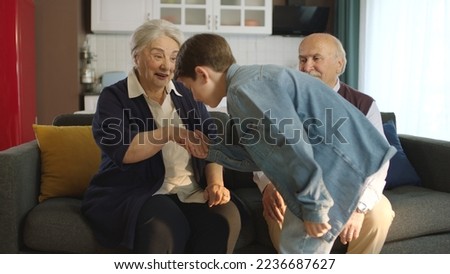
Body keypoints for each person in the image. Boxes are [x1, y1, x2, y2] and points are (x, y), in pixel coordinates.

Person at [174, 33, 396, 254]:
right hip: (328, 173)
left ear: (202, 74)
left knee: (297, 251)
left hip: (332, 173)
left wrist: (313, 206)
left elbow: (292, 143)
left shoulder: (243, 90)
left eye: (188, 87)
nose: (193, 98)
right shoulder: (247, 84)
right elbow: (261, 155)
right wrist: (211, 151)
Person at [80, 20, 241, 254]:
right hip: (140, 192)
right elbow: (124, 150)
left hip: (191, 190)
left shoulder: (186, 92)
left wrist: (216, 183)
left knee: (225, 218)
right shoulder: (113, 97)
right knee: (163, 225)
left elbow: (211, 140)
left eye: (174, 58)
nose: (167, 66)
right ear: (136, 57)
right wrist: (170, 133)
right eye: (158, 56)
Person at [253, 33, 395, 254]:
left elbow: (379, 162)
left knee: (380, 214)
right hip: (296, 190)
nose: (307, 66)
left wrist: (360, 209)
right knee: (281, 217)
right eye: (302, 59)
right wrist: (269, 186)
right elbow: (262, 149)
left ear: (339, 63)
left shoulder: (363, 105)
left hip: (351, 189)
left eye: (316, 58)